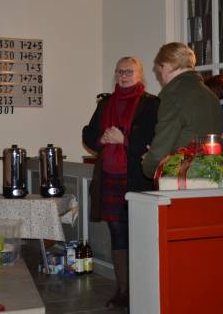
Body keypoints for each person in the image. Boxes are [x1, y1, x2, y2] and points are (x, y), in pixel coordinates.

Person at [82, 56, 159, 308]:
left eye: (129, 71)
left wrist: (124, 139)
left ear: (140, 75)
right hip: (110, 175)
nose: (123, 75)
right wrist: (102, 139)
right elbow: (89, 133)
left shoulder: (151, 103)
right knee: (116, 231)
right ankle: (122, 290)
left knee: (139, 231)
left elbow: (154, 139)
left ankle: (143, 287)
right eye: (119, 71)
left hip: (137, 177)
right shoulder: (105, 103)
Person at [142, 42, 223, 178]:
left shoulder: (173, 95)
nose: (160, 76)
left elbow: (162, 146)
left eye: (159, 70)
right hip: (210, 175)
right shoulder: (210, 94)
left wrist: (149, 164)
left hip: (182, 177)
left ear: (167, 65)